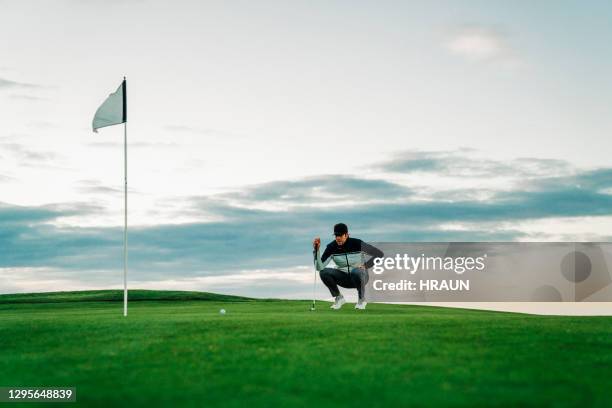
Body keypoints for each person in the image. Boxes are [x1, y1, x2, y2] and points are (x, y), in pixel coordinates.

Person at [313, 223, 383, 310]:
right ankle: (339, 298)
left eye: (340, 235)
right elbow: (319, 267)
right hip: (344, 278)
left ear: (346, 235)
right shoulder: (331, 247)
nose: (338, 238)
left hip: (360, 276)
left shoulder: (357, 243)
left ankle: (362, 299)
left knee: (356, 271)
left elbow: (379, 254)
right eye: (336, 235)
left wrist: (366, 265)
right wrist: (317, 251)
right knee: (324, 272)